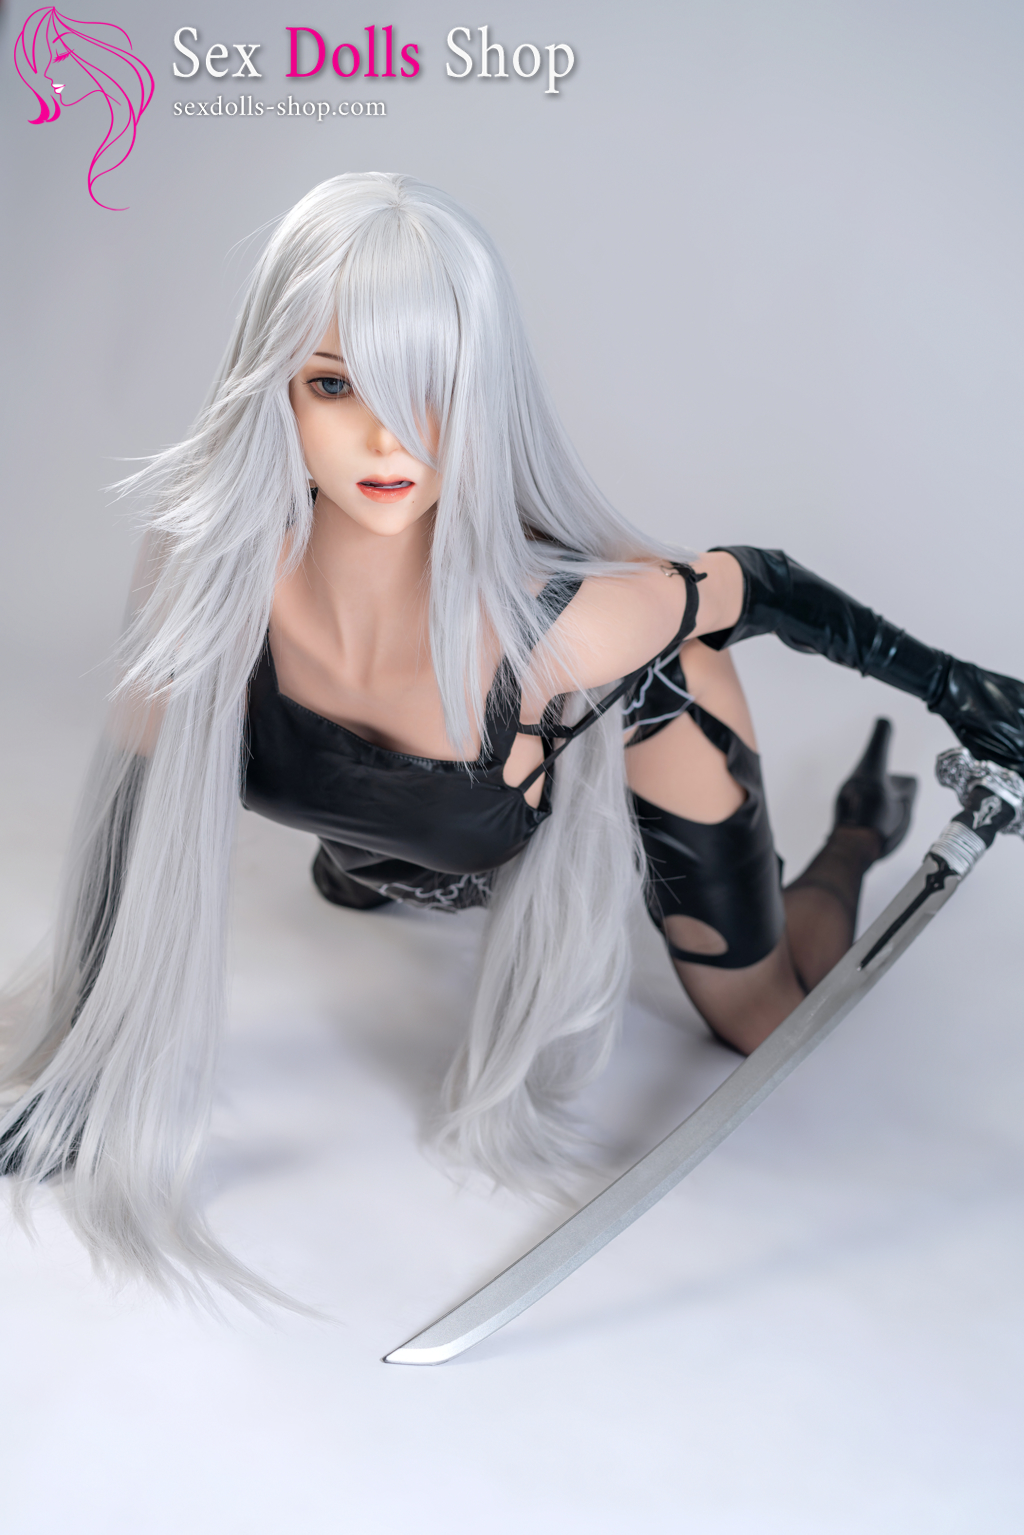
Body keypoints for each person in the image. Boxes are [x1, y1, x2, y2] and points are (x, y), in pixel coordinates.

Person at [2, 173, 1022, 1306]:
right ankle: (385, 862)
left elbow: (759, 584)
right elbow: (134, 818)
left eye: (434, 387)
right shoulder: (198, 572)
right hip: (419, 826)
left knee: (762, 1018)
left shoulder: (563, 633)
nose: (388, 436)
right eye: (336, 383)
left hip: (652, 715)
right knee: (363, 875)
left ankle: (857, 832)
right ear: (274, 387)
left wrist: (957, 688)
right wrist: (84, 1072)